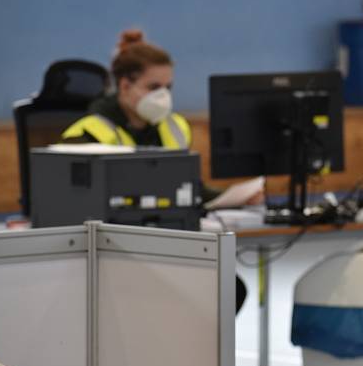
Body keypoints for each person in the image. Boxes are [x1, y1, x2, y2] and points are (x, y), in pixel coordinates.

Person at [62, 29, 260, 311]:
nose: (163, 96)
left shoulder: (174, 127)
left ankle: (198, 355)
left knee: (230, 288)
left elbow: (189, 187)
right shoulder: (87, 135)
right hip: (112, 254)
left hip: (167, 246)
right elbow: (70, 206)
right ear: (125, 85)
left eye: (168, 87)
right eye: (153, 87)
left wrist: (235, 195)